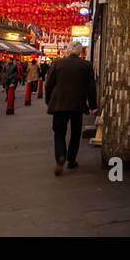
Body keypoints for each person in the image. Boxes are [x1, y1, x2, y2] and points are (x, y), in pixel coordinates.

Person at [45, 42, 97, 177]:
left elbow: (49, 84)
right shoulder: (86, 65)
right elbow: (91, 87)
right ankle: (72, 159)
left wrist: (48, 100)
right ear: (80, 52)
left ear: (68, 51)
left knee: (59, 132)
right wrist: (93, 106)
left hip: (59, 104)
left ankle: (61, 156)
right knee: (75, 132)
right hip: (77, 104)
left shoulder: (57, 63)